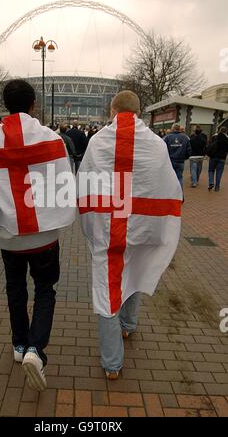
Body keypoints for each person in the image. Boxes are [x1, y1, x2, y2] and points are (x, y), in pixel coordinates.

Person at [78, 91, 182, 380]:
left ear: (113, 109)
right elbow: (169, 189)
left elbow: (84, 188)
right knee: (135, 272)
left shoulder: (97, 142)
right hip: (143, 227)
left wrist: (90, 229)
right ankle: (129, 325)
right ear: (139, 111)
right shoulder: (157, 145)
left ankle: (112, 365)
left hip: (108, 230)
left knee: (107, 289)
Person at [0, 80, 76, 392]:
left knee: (16, 289)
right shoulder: (54, 140)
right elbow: (64, 187)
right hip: (45, 236)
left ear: (6, 105)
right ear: (34, 104)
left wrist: (4, 217)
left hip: (9, 236)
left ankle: (20, 345)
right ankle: (37, 348)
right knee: (46, 290)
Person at [164, 124, 192, 189]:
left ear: (172, 129)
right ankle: (179, 193)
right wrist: (185, 157)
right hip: (181, 161)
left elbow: (163, 148)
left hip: (171, 160)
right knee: (179, 177)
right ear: (179, 129)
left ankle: (171, 192)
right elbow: (189, 150)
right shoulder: (185, 138)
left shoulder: (167, 137)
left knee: (170, 177)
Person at [208, 127, 228, 192]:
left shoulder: (214, 137)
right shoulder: (227, 139)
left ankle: (211, 182)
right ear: (226, 131)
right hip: (222, 158)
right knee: (219, 173)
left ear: (219, 130)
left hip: (213, 157)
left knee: (211, 170)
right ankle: (217, 187)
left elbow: (209, 145)